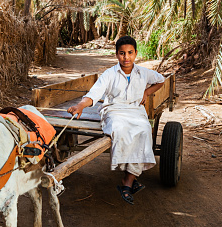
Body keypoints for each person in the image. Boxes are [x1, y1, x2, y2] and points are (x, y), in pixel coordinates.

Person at [67, 36, 165, 205]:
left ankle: (127, 180)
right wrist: (80, 106)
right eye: (122, 53)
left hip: (135, 111)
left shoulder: (143, 73)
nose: (126, 57)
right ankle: (128, 178)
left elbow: (161, 80)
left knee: (144, 129)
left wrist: (147, 93)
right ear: (116, 54)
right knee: (119, 129)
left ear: (135, 53)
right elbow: (94, 94)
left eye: (130, 53)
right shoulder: (109, 74)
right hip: (114, 110)